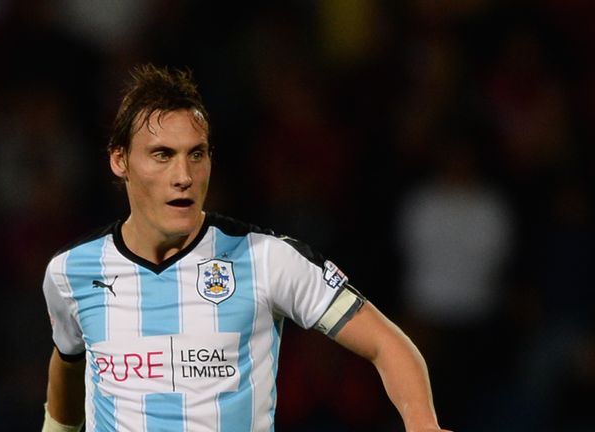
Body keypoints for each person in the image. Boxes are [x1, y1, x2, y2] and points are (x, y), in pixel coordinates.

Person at [41, 64, 449, 432]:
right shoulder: (71, 272)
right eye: (162, 155)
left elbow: (386, 342)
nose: (183, 175)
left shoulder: (266, 259)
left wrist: (422, 423)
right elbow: (69, 357)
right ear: (119, 160)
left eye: (196, 155)